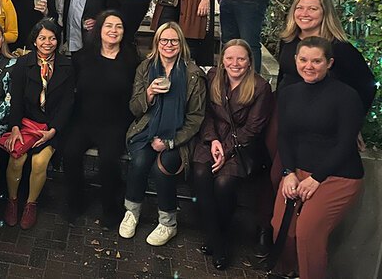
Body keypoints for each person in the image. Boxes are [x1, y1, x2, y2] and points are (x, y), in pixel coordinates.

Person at [271, 37, 365, 279]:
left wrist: (316, 178)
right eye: (303, 60)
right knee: (282, 228)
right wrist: (288, 172)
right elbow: (284, 137)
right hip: (298, 171)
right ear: (295, 60)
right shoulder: (289, 94)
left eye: (316, 61)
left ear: (329, 63)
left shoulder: (346, 96)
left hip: (337, 175)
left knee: (308, 232)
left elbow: (346, 144)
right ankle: (289, 272)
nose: (309, 66)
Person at [118, 22, 206, 246]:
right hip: (146, 130)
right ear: (157, 43)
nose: (169, 45)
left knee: (162, 167)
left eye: (174, 40)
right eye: (164, 40)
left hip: (178, 135)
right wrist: (148, 94)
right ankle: (132, 212)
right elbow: (134, 109)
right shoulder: (145, 68)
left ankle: (168, 223)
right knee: (138, 161)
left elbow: (196, 117)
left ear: (180, 44)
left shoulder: (192, 74)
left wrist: (169, 142)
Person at [191, 39, 273, 270]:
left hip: (241, 147)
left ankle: (219, 238)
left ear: (249, 62)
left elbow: (253, 128)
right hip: (211, 138)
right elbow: (205, 113)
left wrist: (225, 149)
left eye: (241, 58)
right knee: (199, 173)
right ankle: (216, 237)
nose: (235, 63)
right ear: (222, 59)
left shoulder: (260, 86)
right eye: (230, 58)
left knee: (224, 183)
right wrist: (213, 141)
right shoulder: (214, 77)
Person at [63, 11, 140, 228]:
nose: (113, 31)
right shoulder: (83, 57)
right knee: (69, 152)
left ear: (124, 32)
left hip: (115, 123)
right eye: (108, 26)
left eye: (118, 26)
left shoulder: (131, 60)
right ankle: (76, 200)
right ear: (99, 29)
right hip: (84, 120)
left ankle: (111, 206)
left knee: (108, 161)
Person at [2, 19, 74, 230]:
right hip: (24, 123)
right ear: (34, 40)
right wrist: (15, 127)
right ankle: (12, 200)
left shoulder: (67, 66)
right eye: (42, 38)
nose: (47, 42)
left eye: (52, 38)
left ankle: (31, 204)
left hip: (51, 126)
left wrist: (53, 131)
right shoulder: (23, 64)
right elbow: (15, 99)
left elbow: (68, 103)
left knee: (40, 162)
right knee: (16, 159)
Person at [277, 0, 376, 112]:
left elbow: (366, 86)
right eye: (299, 8)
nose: (304, 13)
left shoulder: (340, 48)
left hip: (322, 119)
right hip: (286, 112)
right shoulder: (288, 41)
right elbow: (283, 76)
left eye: (312, 9)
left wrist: (352, 119)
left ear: (325, 13)